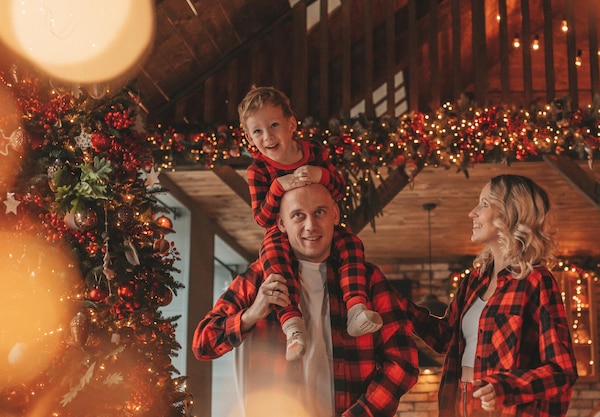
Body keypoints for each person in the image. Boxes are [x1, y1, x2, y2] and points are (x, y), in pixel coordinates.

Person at [192, 183, 419, 417]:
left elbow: (403, 363)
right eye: (298, 215)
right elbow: (203, 343)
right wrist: (252, 314)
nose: (310, 226)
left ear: (335, 214)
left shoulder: (367, 278)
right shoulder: (259, 277)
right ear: (281, 223)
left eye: (319, 212)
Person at [409, 174, 578, 416]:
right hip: (460, 404)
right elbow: (444, 338)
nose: (472, 213)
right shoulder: (474, 281)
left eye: (484, 204)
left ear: (510, 214)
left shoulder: (536, 280)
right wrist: (393, 302)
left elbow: (562, 370)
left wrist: (504, 388)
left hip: (506, 410)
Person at [239, 86, 381, 361]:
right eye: (257, 131)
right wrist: (277, 188)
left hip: (320, 223)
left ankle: (355, 309)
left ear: (291, 124)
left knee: (351, 243)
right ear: (249, 136)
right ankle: (292, 323)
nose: (267, 136)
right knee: (272, 255)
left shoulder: (313, 151)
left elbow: (338, 189)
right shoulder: (258, 171)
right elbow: (262, 218)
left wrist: (321, 174)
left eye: (274, 125)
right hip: (279, 234)